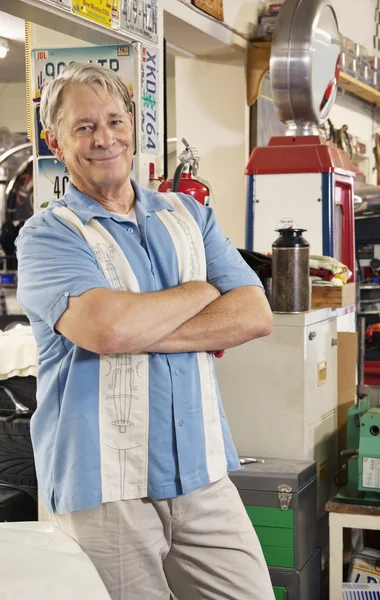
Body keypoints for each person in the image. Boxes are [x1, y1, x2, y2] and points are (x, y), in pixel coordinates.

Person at [16, 63, 275, 600]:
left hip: (201, 472)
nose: (104, 138)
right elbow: (107, 331)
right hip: (104, 487)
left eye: (114, 120)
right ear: (54, 141)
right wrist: (202, 291)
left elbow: (254, 314)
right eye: (83, 126)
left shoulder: (188, 215)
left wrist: (136, 325)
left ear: (133, 125)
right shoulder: (48, 235)